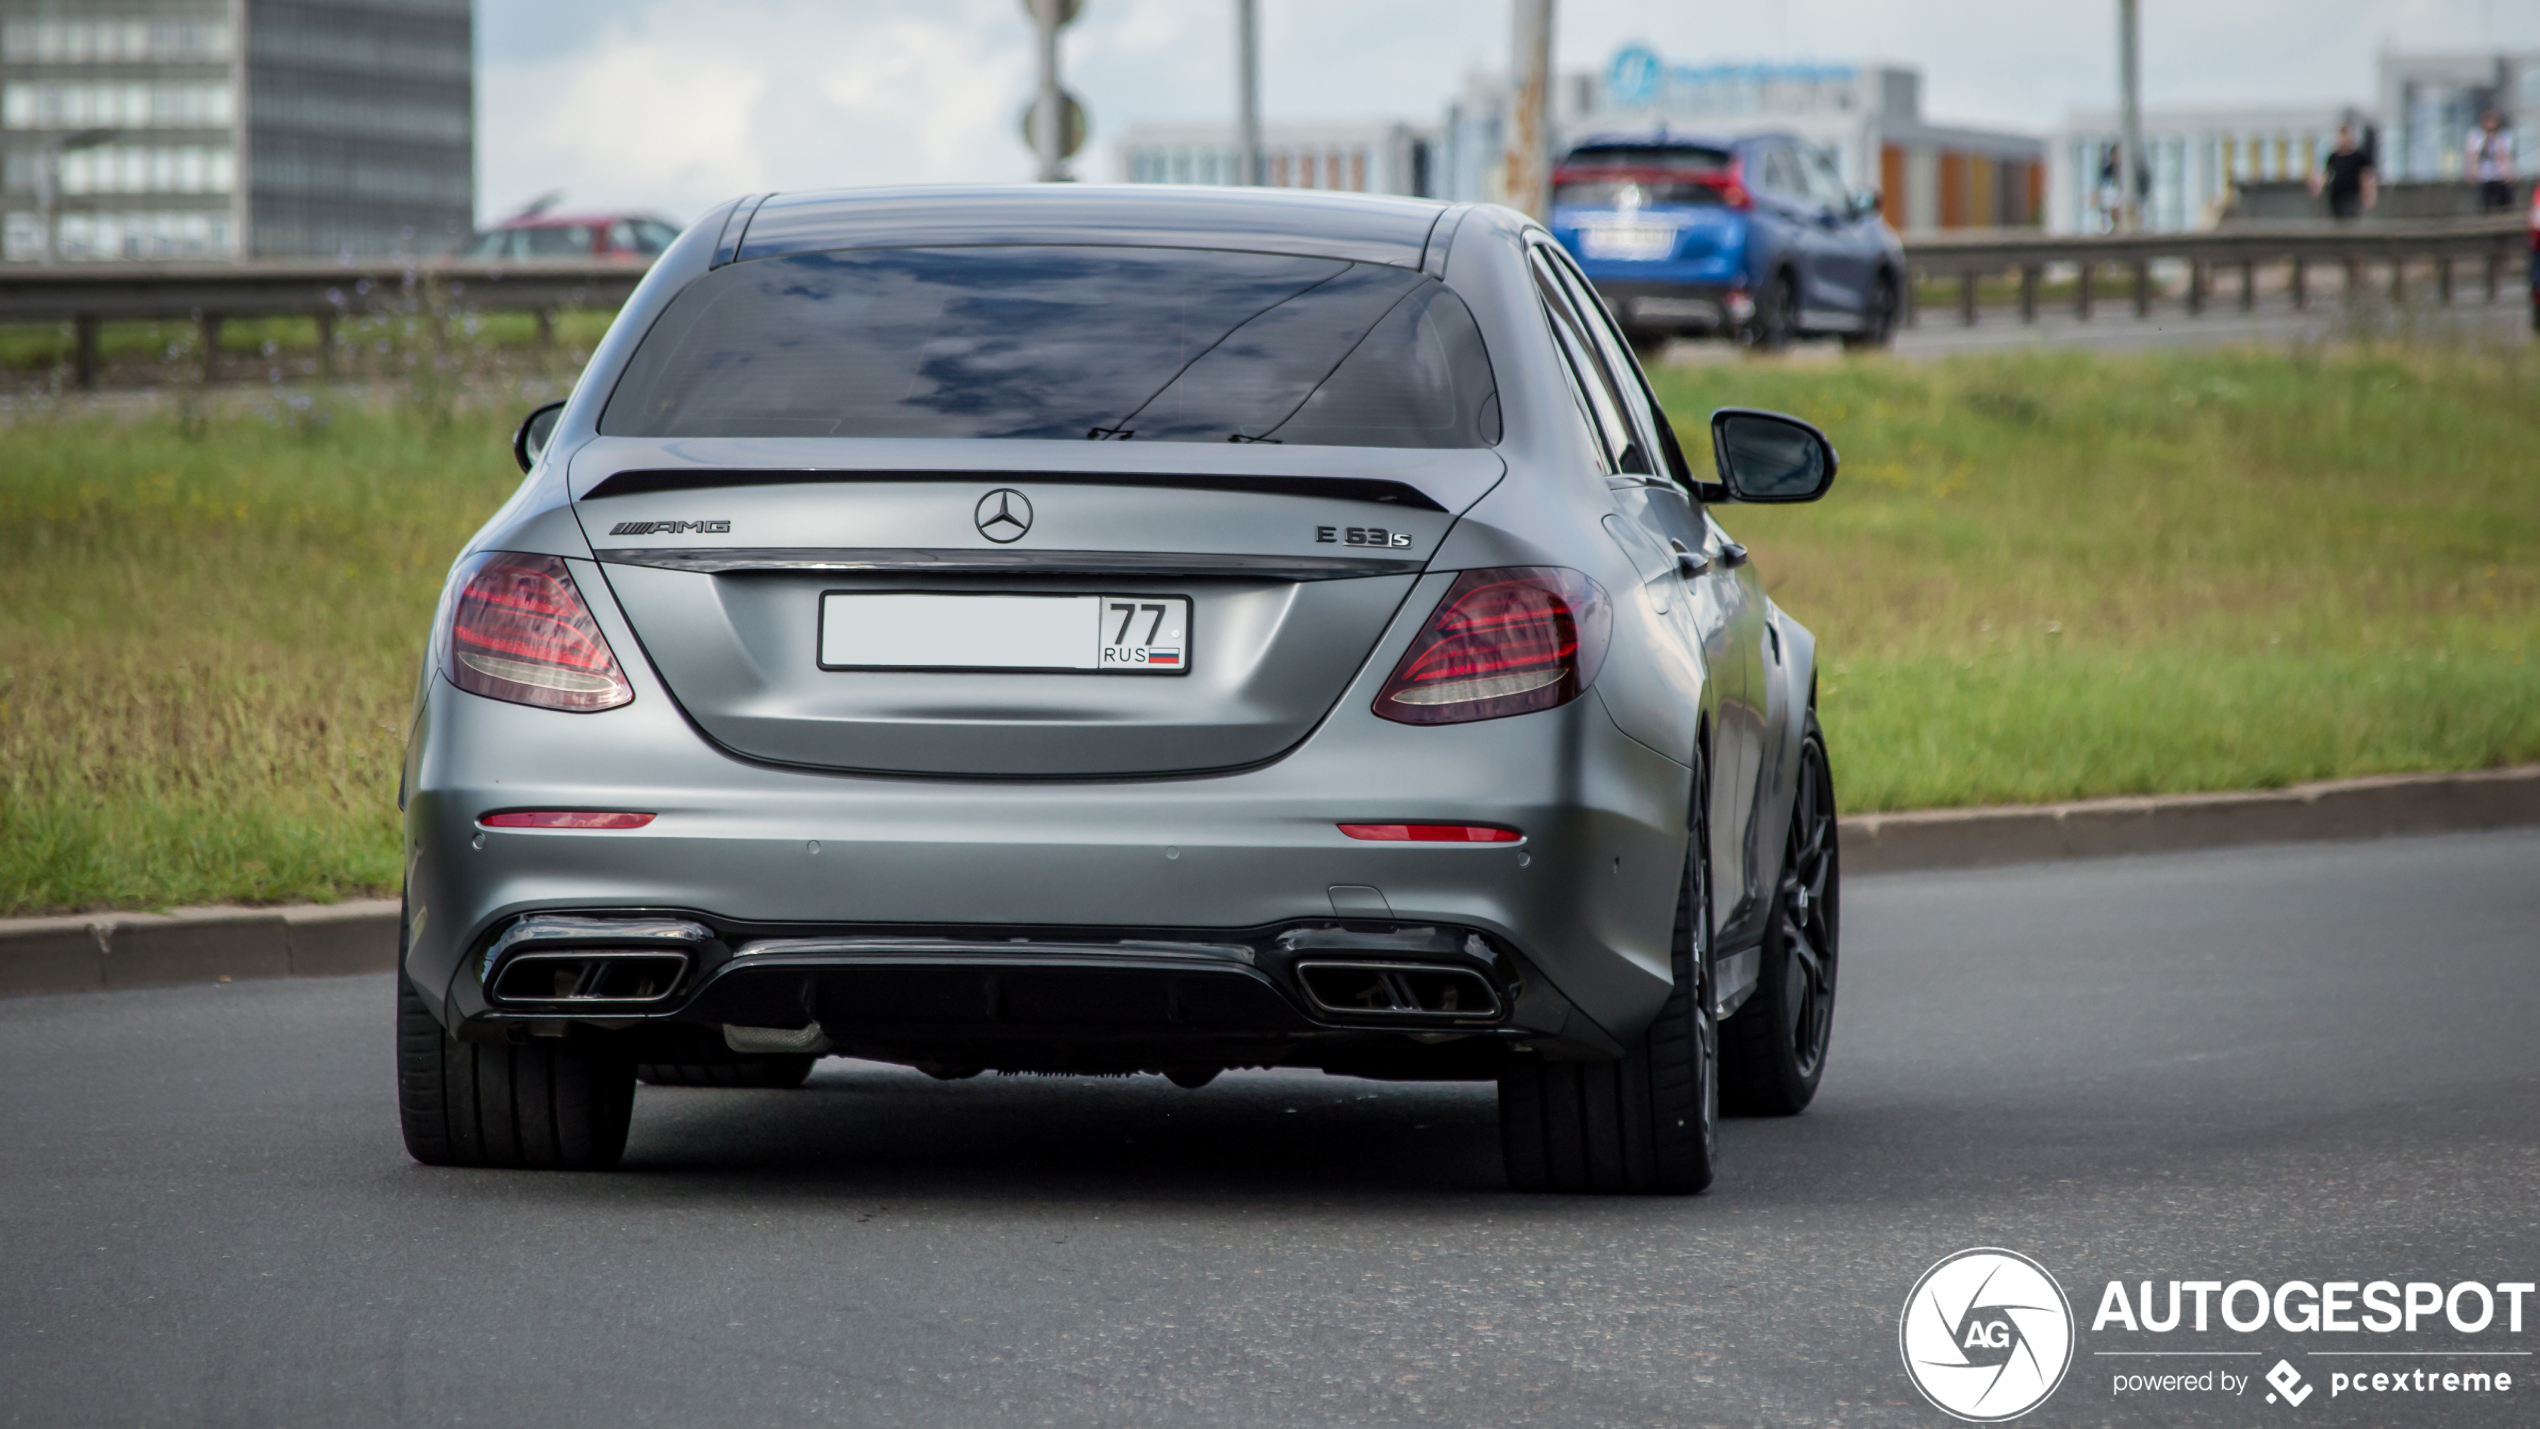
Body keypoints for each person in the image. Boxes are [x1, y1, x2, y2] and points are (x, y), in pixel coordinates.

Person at [2311, 123, 2376, 221]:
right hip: (2336, 197)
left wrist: (2369, 195)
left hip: (2352, 196)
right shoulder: (2333, 156)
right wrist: (2318, 185)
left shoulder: (2358, 156)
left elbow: (2366, 177)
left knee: (2349, 221)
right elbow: (2327, 173)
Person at [2467, 109, 2517, 214]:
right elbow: (2472, 155)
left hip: (2500, 176)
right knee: (2484, 206)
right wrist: (2471, 171)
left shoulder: (2503, 136)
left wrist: (2509, 173)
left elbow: (2505, 155)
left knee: (2505, 205)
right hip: (2484, 176)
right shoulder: (2477, 135)